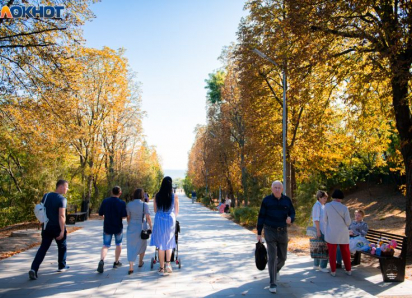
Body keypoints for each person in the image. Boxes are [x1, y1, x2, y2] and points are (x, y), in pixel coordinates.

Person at [257, 180, 295, 294]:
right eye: (275, 187)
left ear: (282, 189)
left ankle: (275, 270)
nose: (277, 189)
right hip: (270, 231)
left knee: (283, 258)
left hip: (283, 231)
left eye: (279, 187)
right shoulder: (266, 200)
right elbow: (261, 216)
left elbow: (292, 213)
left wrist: (290, 219)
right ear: (272, 189)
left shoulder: (287, 200)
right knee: (272, 257)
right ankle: (272, 282)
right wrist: (259, 233)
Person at [29, 180, 69, 280]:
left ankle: (34, 269)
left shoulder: (46, 196)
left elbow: (41, 210)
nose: (67, 189)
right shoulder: (62, 199)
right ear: (60, 187)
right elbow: (61, 216)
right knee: (62, 245)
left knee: (43, 248)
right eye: (66, 187)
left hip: (46, 226)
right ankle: (62, 265)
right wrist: (62, 230)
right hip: (56, 227)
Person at [150, 176, 179, 276]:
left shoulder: (157, 195)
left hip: (159, 219)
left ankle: (161, 268)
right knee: (169, 242)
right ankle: (168, 264)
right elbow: (176, 211)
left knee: (161, 244)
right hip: (170, 220)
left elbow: (154, 210)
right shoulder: (174, 196)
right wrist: (171, 217)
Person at [97, 186, 127, 273]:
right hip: (118, 227)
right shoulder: (122, 203)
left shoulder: (105, 201)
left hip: (107, 226)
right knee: (118, 244)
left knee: (105, 245)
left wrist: (106, 216)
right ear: (120, 193)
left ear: (111, 192)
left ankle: (102, 260)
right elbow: (124, 216)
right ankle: (116, 262)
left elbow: (100, 213)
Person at [324, 189, 351, 277]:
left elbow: (324, 219)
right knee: (345, 252)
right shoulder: (344, 208)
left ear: (333, 197)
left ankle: (333, 271)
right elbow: (348, 222)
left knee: (332, 253)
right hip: (343, 233)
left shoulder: (327, 206)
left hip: (331, 232)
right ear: (341, 198)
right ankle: (348, 269)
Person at [126, 188, 152, 274]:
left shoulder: (129, 204)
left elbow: (128, 217)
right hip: (141, 227)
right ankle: (140, 262)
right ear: (142, 195)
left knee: (131, 246)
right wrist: (151, 227)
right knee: (142, 245)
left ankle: (131, 267)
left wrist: (130, 224)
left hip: (131, 227)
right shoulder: (144, 205)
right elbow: (148, 217)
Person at [311, 190, 329, 272]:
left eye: (326, 198)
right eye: (324, 198)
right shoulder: (317, 206)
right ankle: (323, 266)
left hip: (323, 229)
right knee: (324, 247)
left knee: (318, 247)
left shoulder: (322, 206)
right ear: (319, 198)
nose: (325, 199)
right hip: (320, 229)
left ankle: (316, 264)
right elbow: (316, 219)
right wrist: (318, 230)